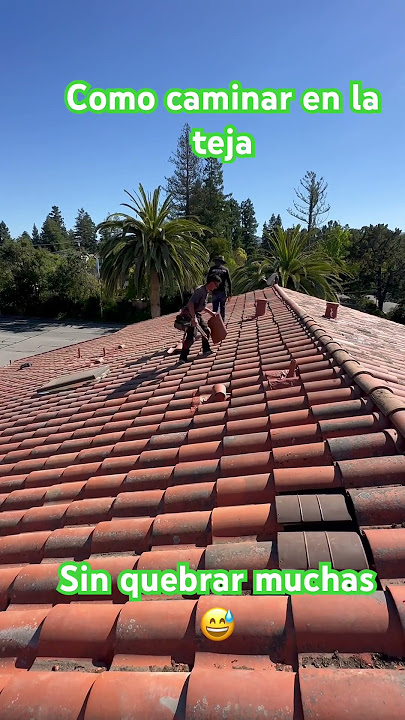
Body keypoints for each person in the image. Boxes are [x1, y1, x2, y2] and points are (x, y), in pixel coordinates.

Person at [178, 274, 221, 364]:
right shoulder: (200, 291)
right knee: (191, 338)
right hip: (189, 315)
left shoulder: (206, 291)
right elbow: (191, 304)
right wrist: (194, 318)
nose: (216, 287)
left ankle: (206, 350)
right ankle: (183, 357)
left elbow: (202, 306)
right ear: (211, 283)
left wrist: (211, 313)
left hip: (196, 314)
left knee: (206, 331)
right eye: (216, 285)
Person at [207, 256, 232, 321]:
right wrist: (230, 293)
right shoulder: (225, 270)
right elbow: (229, 282)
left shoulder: (212, 269)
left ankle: (216, 321)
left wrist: (208, 289)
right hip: (223, 291)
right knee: (222, 307)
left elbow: (208, 280)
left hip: (214, 291)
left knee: (215, 307)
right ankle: (222, 320)